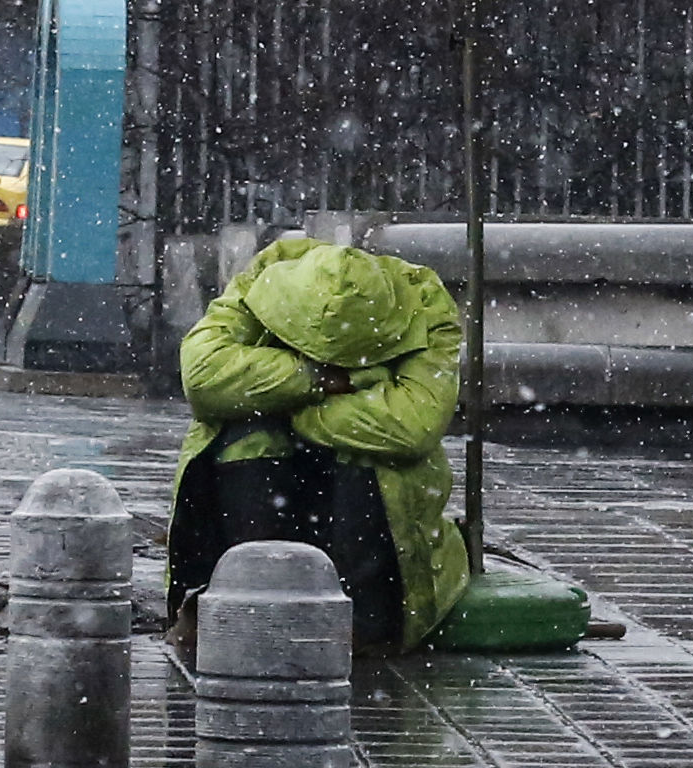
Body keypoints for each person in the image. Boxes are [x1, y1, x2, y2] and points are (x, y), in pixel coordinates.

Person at [166, 231, 469, 650]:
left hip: (369, 510)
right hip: (273, 491)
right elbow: (202, 376)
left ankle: (359, 616)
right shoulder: (265, 277)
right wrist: (323, 381)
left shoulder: (428, 309)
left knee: (370, 452)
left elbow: (413, 423)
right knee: (246, 435)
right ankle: (248, 590)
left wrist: (288, 406)